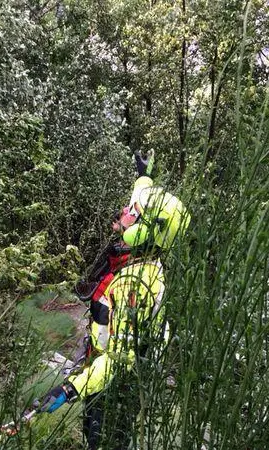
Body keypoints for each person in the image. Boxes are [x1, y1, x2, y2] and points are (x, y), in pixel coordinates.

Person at [39, 152, 190, 449]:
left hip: (113, 389)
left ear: (143, 230)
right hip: (99, 374)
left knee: (104, 441)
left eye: (131, 212)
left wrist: (71, 388)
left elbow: (120, 361)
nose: (124, 210)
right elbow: (142, 197)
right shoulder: (137, 256)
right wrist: (144, 175)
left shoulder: (135, 285)